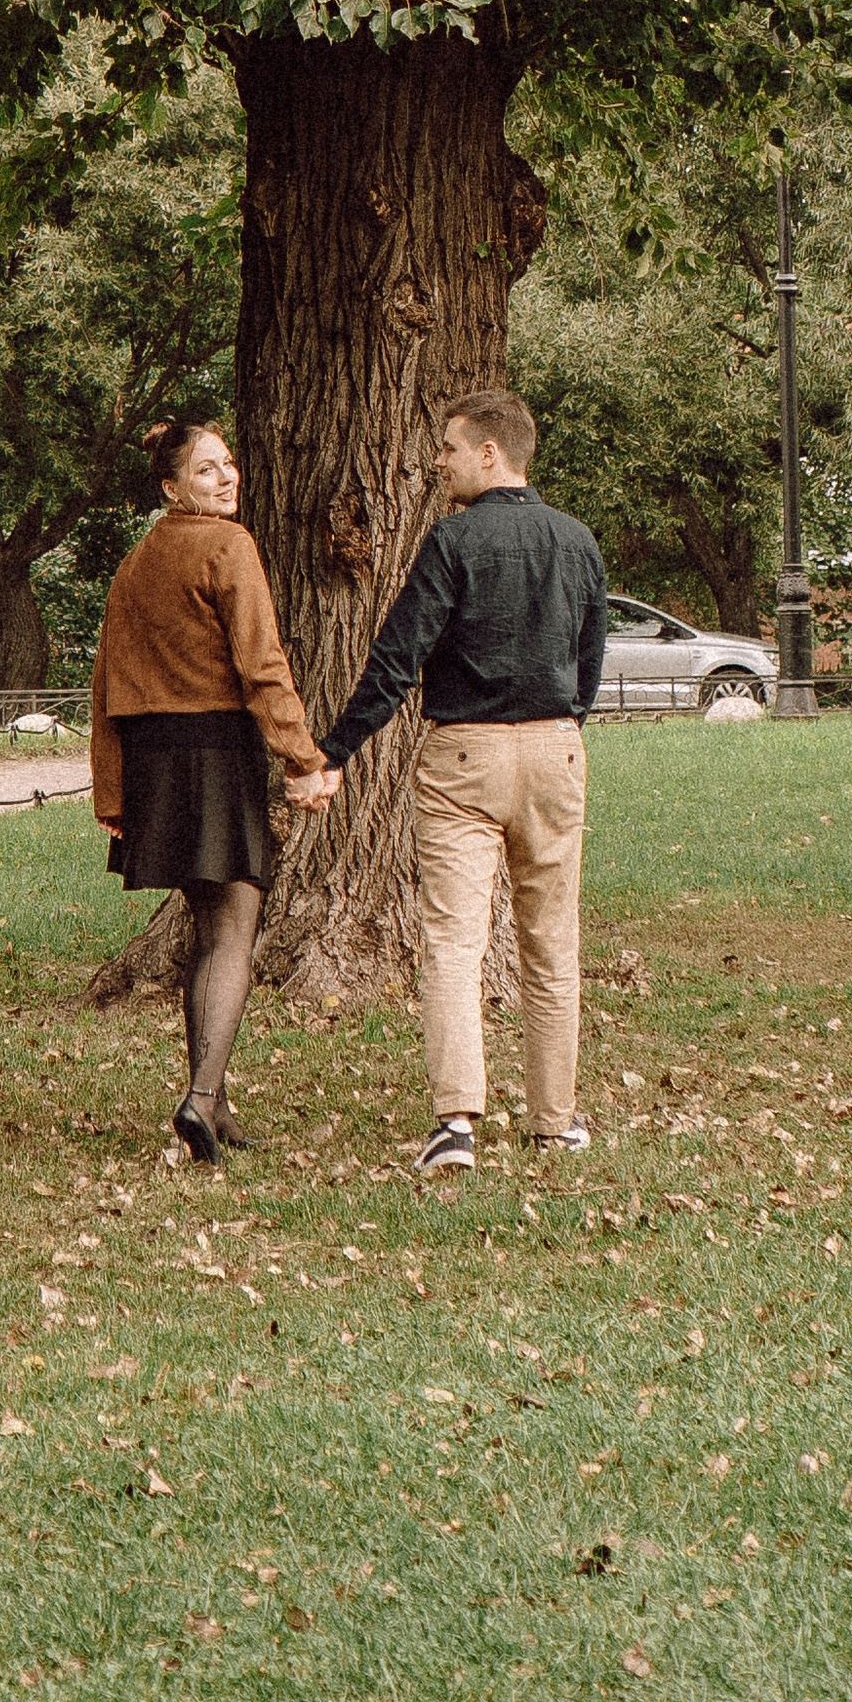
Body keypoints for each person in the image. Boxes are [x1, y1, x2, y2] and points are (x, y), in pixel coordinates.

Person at [285, 387, 605, 1173]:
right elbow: (589, 663)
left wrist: (333, 753)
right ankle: (554, 1123)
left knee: (456, 942)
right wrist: (561, 725)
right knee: (550, 943)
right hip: (558, 749)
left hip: (464, 758)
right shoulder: (578, 542)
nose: (438, 460)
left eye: (450, 447)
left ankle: (456, 1123)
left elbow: (397, 659)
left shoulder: (453, 542)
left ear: (490, 454)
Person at [91, 417, 327, 1163]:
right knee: (235, 928)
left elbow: (104, 689)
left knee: (207, 927)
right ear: (171, 488)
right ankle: (197, 1098)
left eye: (227, 465)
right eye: (205, 472)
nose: (225, 479)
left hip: (155, 761)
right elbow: (263, 665)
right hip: (215, 752)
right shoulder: (230, 546)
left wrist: (113, 794)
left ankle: (215, 1101)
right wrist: (302, 758)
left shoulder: (135, 563)